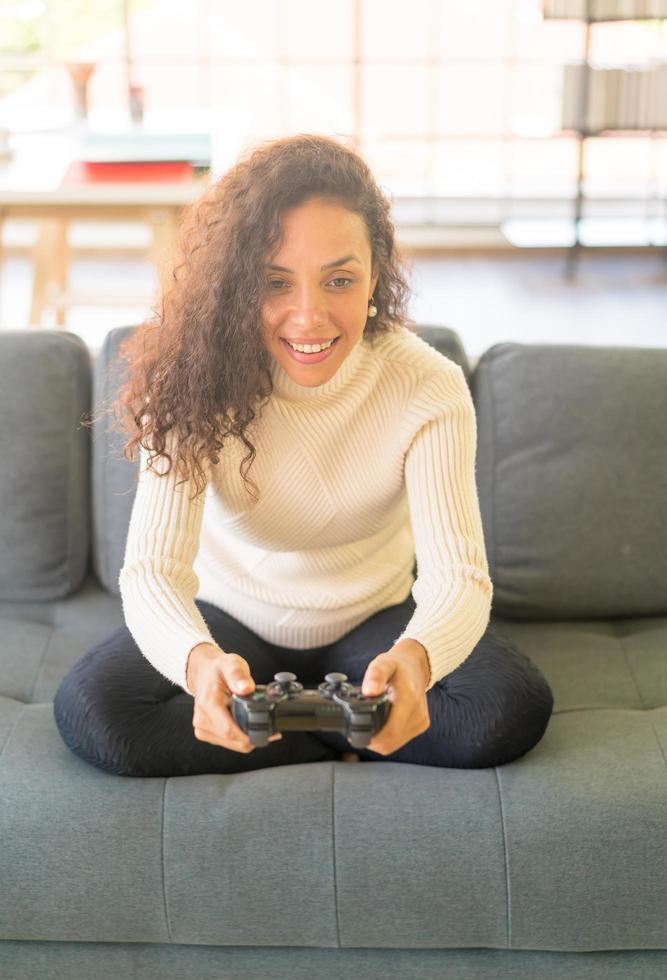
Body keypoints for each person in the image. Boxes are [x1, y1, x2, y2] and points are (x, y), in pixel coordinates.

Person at [53, 133, 554, 778]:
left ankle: (290, 726)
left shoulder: (427, 384)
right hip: (232, 618)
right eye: (275, 282)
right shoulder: (190, 378)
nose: (308, 317)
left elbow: (458, 577)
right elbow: (152, 572)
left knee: (502, 707)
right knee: (98, 713)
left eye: (339, 279)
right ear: (236, 284)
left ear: (375, 274)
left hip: (374, 622)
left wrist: (420, 657)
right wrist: (197, 662)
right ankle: (341, 734)